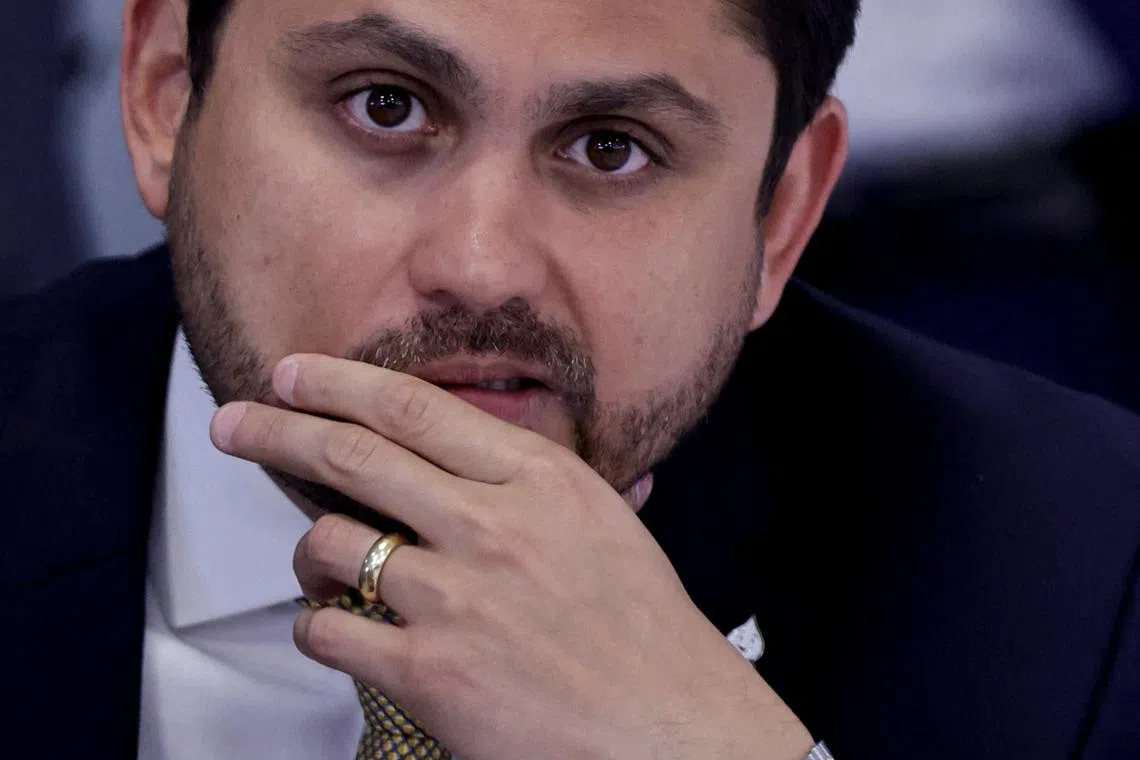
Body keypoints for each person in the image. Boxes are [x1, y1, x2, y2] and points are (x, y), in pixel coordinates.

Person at [0, 1, 1136, 759]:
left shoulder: (1084, 574)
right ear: (162, 95)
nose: (481, 265)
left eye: (610, 147)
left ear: (781, 215)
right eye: (383, 104)